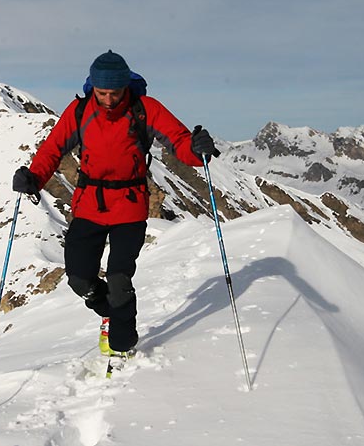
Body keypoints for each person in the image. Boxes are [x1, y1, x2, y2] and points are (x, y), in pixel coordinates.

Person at [12, 50, 217, 356]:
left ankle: (122, 343)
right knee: (79, 278)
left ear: (125, 87)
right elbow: (53, 149)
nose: (108, 100)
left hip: (130, 205)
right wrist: (33, 177)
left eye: (115, 93)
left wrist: (197, 148)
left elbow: (178, 141)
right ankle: (109, 311)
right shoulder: (80, 112)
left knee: (120, 277)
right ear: (92, 87)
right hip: (89, 204)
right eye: (102, 93)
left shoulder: (145, 109)